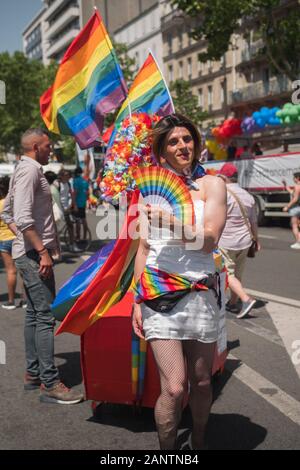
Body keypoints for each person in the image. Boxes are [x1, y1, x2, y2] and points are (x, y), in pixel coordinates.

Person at [132, 113, 227, 450]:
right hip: (158, 290)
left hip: (200, 291)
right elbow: (143, 248)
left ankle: (198, 442)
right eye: (173, 141)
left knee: (201, 382)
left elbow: (210, 240)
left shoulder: (213, 185)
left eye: (186, 139)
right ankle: (169, 453)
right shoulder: (149, 192)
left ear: (196, 142)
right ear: (162, 150)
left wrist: (171, 222)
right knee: (174, 387)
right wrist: (136, 301)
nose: (182, 146)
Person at [2, 128, 83, 404]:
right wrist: (41, 250)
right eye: (49, 146)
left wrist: (33, 242)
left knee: (35, 315)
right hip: (34, 254)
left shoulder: (23, 169)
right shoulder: (31, 171)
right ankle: (50, 383)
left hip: (29, 251)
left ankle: (34, 372)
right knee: (45, 316)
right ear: (36, 146)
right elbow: (22, 218)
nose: (52, 150)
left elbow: (7, 213)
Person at [217, 162, 260, 318]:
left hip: (226, 241)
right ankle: (233, 303)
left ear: (224, 177)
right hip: (245, 241)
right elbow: (253, 221)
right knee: (237, 273)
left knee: (227, 274)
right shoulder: (248, 195)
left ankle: (246, 299)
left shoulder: (222, 193)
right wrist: (257, 239)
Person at [0, 176, 18, 309]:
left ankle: (11, 301)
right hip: (18, 238)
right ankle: (25, 300)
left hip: (4, 239)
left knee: (11, 271)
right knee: (23, 271)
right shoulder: (15, 201)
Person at [56, 169, 79, 252]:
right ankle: (56, 247)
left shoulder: (68, 183)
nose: (68, 176)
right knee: (56, 229)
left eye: (69, 175)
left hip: (67, 208)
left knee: (70, 226)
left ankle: (72, 244)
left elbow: (71, 194)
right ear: (61, 175)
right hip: (59, 209)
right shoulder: (57, 184)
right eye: (66, 175)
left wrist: (73, 204)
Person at [282, 172, 300, 249]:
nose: (293, 179)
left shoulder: (297, 186)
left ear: (297, 178)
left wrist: (287, 207)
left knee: (294, 226)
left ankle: (298, 243)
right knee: (298, 225)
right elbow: (291, 192)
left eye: (294, 177)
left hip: (296, 208)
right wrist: (285, 185)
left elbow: (295, 199)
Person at [73, 167, 89, 243]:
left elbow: (75, 192)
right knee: (84, 219)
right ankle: (85, 237)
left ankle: (78, 237)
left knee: (78, 221)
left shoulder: (76, 181)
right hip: (83, 203)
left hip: (77, 203)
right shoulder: (84, 181)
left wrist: (74, 204)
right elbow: (87, 193)